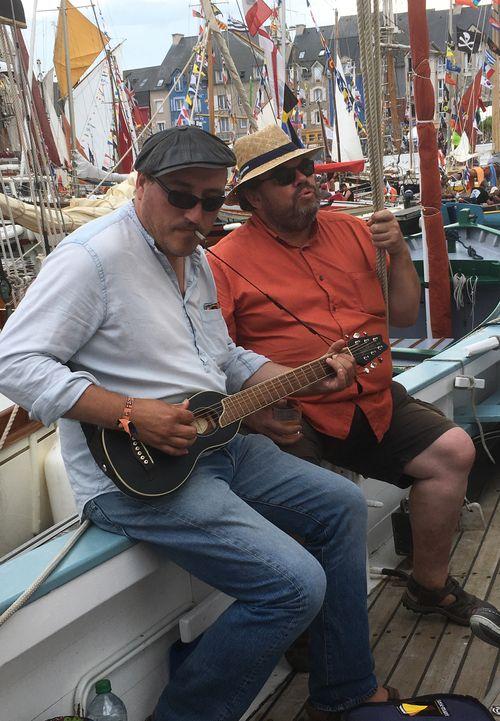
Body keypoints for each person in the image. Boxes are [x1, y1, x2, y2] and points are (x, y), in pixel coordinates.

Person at [0, 126, 394, 721]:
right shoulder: (93, 258)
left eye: (211, 201)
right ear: (141, 186)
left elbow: (224, 359)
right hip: (135, 480)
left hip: (217, 444)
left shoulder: (195, 255)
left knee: (340, 506)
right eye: (181, 196)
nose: (196, 213)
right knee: (293, 585)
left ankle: (343, 693)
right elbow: (14, 361)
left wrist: (303, 376)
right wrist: (130, 414)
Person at [208, 124, 496, 635]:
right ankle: (308, 625)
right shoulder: (224, 262)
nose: (304, 179)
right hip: (297, 417)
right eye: (284, 176)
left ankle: (429, 587)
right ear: (252, 197)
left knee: (454, 451)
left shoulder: (355, 231)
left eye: (306, 168)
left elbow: (405, 313)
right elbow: (215, 359)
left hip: (376, 400)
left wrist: (399, 253)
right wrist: (254, 410)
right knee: (313, 501)